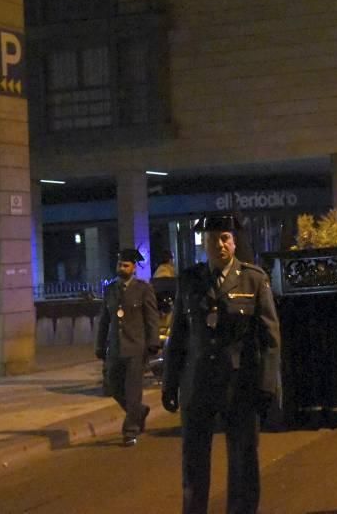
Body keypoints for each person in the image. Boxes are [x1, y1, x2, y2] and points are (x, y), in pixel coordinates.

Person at [162, 213, 281, 514]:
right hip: (198, 384)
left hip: (239, 385)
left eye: (225, 238)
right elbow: (178, 337)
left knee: (243, 463)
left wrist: (267, 385)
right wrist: (170, 383)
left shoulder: (253, 279)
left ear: (234, 241)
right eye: (213, 238)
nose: (219, 244)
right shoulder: (190, 280)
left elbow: (270, 339)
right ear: (204, 243)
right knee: (194, 465)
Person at [95, 248, 159, 446]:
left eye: (126, 265)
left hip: (136, 347)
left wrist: (153, 342)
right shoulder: (111, 290)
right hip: (115, 348)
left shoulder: (143, 289)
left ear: (133, 268)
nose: (121, 268)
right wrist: (100, 345)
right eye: (119, 265)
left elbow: (151, 317)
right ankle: (139, 411)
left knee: (133, 391)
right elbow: (105, 320)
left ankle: (130, 430)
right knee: (113, 386)